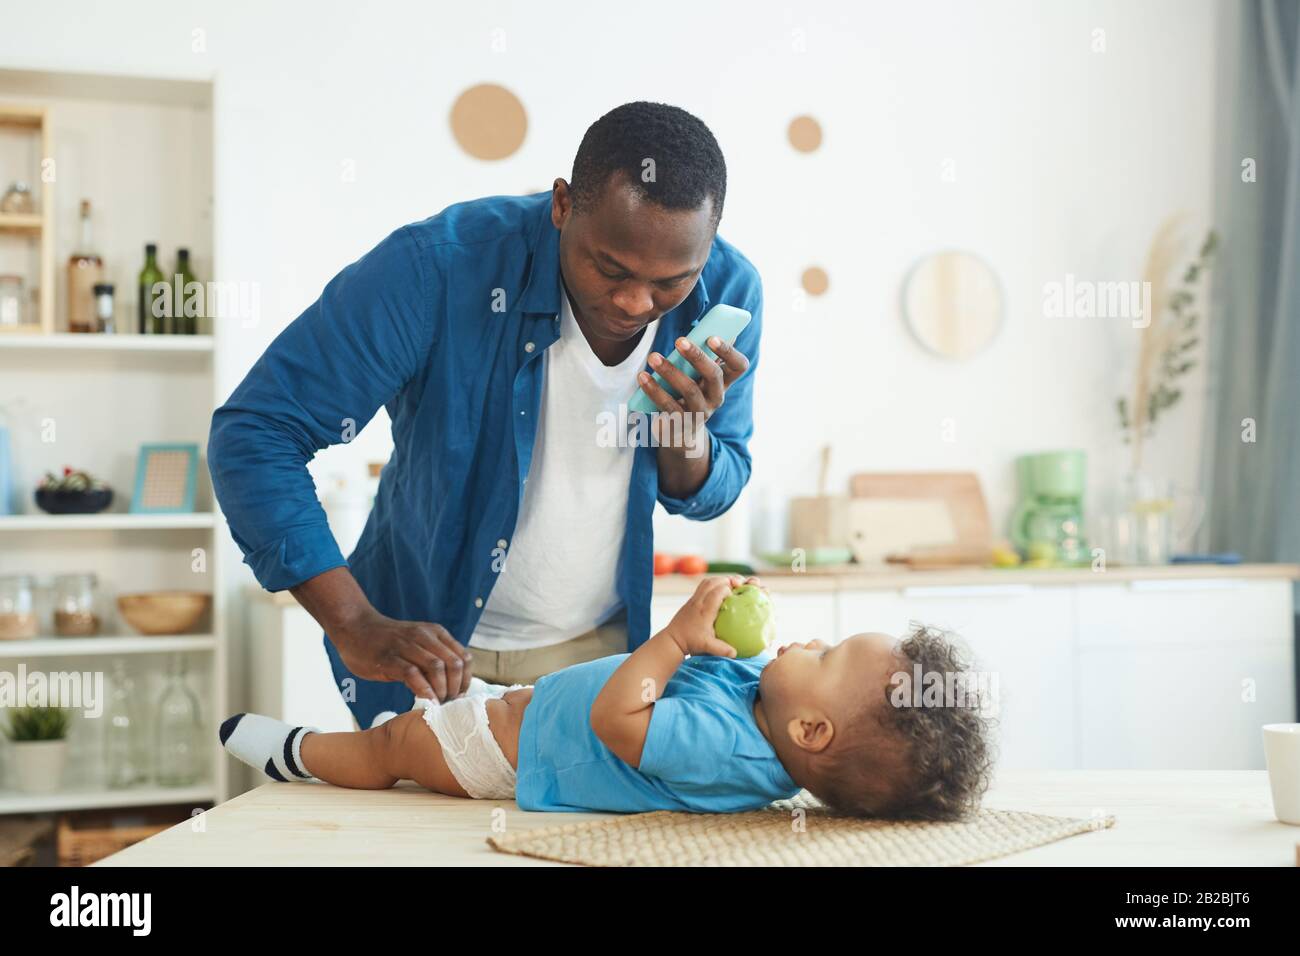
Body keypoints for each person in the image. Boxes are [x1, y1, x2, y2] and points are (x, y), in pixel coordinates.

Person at [208, 102, 763, 731]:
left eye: (671, 282)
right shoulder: (436, 267)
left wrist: (685, 436)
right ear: (562, 206)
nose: (636, 302)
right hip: (428, 657)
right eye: (609, 268)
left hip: (598, 658)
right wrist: (353, 622)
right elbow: (256, 432)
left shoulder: (728, 291)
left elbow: (712, 493)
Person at [220, 576, 996, 818]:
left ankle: (303, 755)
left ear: (814, 730)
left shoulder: (727, 745)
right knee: (410, 720)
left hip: (507, 758)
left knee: (391, 748)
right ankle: (320, 750)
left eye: (822, 655)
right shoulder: (764, 704)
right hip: (526, 713)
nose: (801, 642)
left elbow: (616, 718)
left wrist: (678, 637)